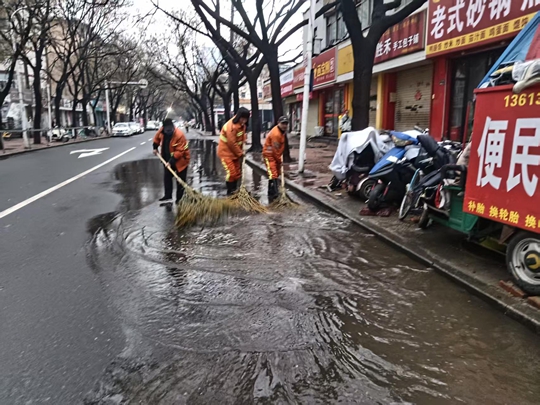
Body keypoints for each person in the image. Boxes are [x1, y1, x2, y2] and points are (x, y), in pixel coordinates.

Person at [152, 118, 190, 204]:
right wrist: (155, 147)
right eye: (167, 130)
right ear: (164, 128)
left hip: (181, 160)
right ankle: (168, 195)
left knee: (180, 180)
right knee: (167, 178)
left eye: (170, 130)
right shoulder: (161, 131)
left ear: (173, 127)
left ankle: (179, 199)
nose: (169, 132)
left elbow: (180, 151)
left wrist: (171, 162)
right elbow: (156, 138)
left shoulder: (179, 135)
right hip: (167, 159)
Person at [217, 107, 250, 195]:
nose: (244, 120)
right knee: (232, 173)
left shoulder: (242, 125)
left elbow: (241, 136)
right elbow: (232, 143)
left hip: (235, 153)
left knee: (237, 173)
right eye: (243, 118)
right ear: (239, 116)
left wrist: (244, 140)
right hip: (226, 153)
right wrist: (240, 153)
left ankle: (235, 191)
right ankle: (230, 192)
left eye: (246, 119)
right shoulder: (230, 127)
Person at [263, 116, 289, 203]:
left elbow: (279, 148)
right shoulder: (276, 134)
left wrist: (279, 158)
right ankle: (275, 193)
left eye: (286, 124)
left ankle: (271, 191)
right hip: (269, 155)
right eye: (283, 123)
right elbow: (275, 150)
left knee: (276, 173)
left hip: (275, 155)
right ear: (278, 123)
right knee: (273, 173)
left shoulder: (282, 132)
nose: (284, 125)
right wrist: (279, 160)